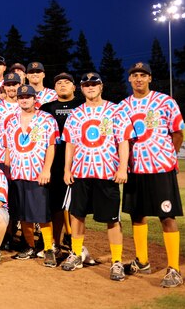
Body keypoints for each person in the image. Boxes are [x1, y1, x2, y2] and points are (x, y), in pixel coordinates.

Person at [118, 62, 185, 288]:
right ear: (129, 79)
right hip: (135, 170)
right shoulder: (123, 106)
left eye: (142, 75)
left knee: (167, 216)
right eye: (134, 75)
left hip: (160, 170)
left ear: (150, 78)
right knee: (137, 215)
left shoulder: (165, 101)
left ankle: (174, 269)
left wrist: (169, 157)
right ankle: (142, 261)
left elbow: (177, 131)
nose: (138, 79)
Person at [61, 72, 132, 281]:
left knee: (112, 219)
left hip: (107, 173)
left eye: (94, 84)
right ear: (81, 88)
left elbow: (123, 141)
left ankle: (116, 261)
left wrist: (122, 168)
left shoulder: (115, 110)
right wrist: (67, 169)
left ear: (101, 87)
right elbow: (70, 144)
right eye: (86, 84)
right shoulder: (75, 114)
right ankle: (76, 253)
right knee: (77, 214)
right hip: (81, 172)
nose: (90, 87)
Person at [5, 85, 58, 267]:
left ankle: (49, 248)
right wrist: (8, 168)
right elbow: (8, 147)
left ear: (35, 99)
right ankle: (30, 246)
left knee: (41, 213)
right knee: (23, 212)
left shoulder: (46, 119)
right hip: (18, 172)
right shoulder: (11, 121)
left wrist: (46, 169)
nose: (24, 100)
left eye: (28, 96)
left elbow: (51, 146)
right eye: (21, 97)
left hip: (37, 174)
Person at [39, 73, 84, 253]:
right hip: (55, 162)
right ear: (54, 88)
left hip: (79, 162)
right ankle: (55, 243)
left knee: (76, 208)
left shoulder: (82, 106)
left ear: (74, 87)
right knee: (56, 206)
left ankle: (77, 246)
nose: (63, 85)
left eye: (67, 82)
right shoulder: (46, 107)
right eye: (59, 82)